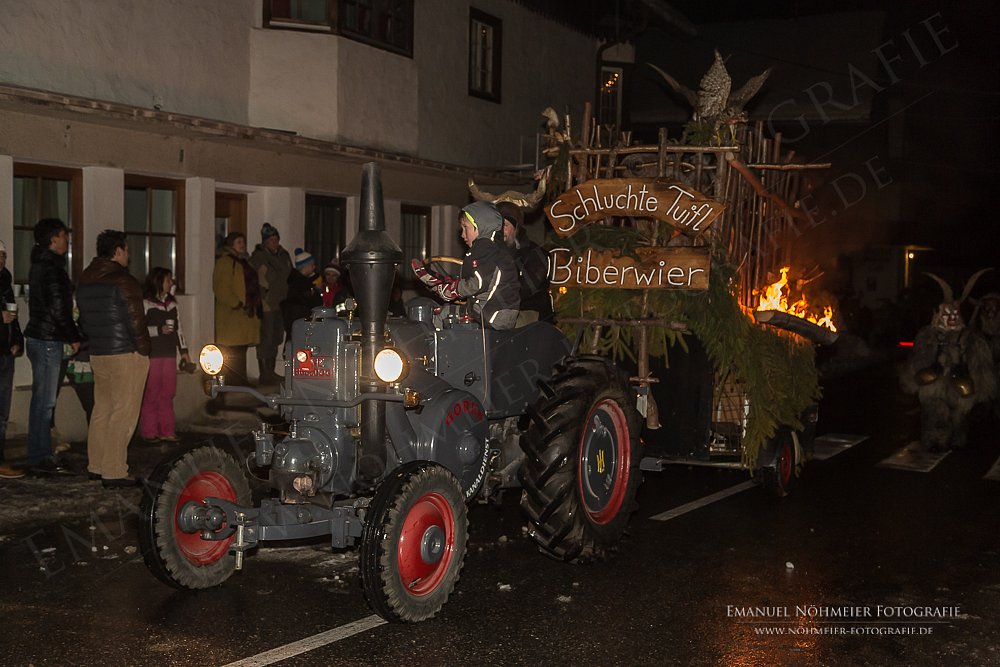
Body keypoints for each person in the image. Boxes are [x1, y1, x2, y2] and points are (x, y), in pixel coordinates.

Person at [76, 230, 150, 488]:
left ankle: (96, 465)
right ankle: (114, 470)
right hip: (125, 353)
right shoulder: (123, 280)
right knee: (124, 412)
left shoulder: (85, 279)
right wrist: (143, 350)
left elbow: (83, 319)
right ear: (118, 251)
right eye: (127, 249)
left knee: (102, 410)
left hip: (99, 352)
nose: (128, 254)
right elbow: (135, 320)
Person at [24, 218, 80, 475]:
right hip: (47, 339)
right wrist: (73, 335)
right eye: (63, 235)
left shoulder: (39, 265)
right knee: (45, 402)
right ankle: (40, 455)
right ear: (53, 239)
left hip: (38, 336)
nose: (67, 240)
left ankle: (39, 453)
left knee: (41, 400)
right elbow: (59, 307)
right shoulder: (52, 268)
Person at [412, 201, 520, 330]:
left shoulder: (485, 247)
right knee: (451, 310)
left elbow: (477, 283)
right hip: (499, 312)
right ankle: (438, 281)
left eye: (465, 227)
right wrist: (450, 284)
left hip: (490, 314)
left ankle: (436, 347)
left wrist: (451, 290)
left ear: (480, 225)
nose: (462, 234)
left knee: (443, 314)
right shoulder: (496, 247)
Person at [139, 267, 190, 444]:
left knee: (168, 392)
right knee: (152, 392)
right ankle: (149, 431)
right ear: (158, 282)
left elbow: (179, 330)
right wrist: (158, 331)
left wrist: (184, 352)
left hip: (169, 354)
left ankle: (167, 430)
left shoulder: (172, 304)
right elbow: (139, 329)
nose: (171, 283)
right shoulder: (146, 303)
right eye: (168, 280)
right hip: (152, 354)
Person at [213, 231, 261, 385]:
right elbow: (222, 288)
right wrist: (237, 304)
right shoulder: (225, 263)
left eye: (243, 242)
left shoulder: (244, 262)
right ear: (231, 244)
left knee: (241, 348)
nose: (242, 245)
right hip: (232, 314)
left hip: (245, 313)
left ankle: (239, 379)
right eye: (239, 242)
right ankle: (233, 381)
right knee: (232, 350)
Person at [497, 201, 554, 325]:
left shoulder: (537, 255)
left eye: (504, 225)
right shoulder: (490, 255)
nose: (499, 231)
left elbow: (526, 289)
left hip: (530, 318)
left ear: (517, 227)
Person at [250, 223, 291, 384]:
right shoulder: (258, 256)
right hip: (266, 303)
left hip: (281, 302)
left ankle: (271, 371)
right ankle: (264, 372)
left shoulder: (283, 255)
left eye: (276, 239)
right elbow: (255, 279)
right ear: (265, 241)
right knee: (265, 337)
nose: (275, 242)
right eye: (271, 239)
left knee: (276, 337)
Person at [0, 241, 25, 479]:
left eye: (4, 255)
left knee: (3, 410)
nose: (2, 260)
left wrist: (17, 339)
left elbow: (13, 317)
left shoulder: (6, 283)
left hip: (6, 352)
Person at [282, 248, 322, 337]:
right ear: (306, 266)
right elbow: (311, 301)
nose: (314, 267)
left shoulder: (297, 281)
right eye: (312, 265)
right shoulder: (301, 284)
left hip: (296, 321)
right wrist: (315, 291)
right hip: (300, 321)